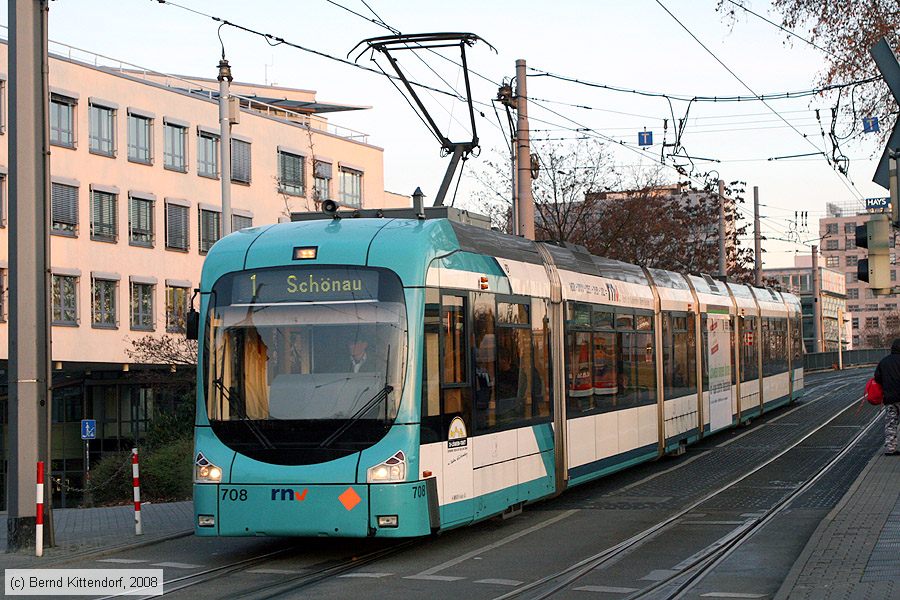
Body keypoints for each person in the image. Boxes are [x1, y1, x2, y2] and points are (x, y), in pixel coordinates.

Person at [874, 339, 900, 455]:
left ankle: (890, 449)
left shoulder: (884, 362)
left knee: (891, 423)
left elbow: (877, 378)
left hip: (890, 399)